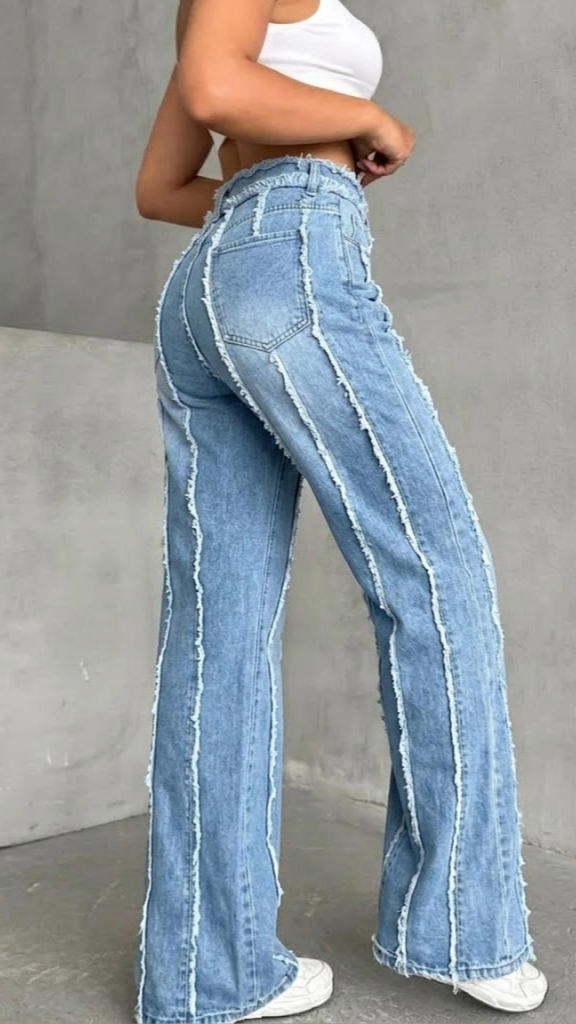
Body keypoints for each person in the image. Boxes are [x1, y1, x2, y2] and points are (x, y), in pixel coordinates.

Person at [133, 2, 548, 1022]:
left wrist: (272, 180)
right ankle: (467, 927)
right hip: (292, 259)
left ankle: (210, 974)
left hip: (212, 286)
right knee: (436, 572)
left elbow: (163, 186)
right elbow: (216, 89)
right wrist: (367, 120)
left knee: (219, 630)